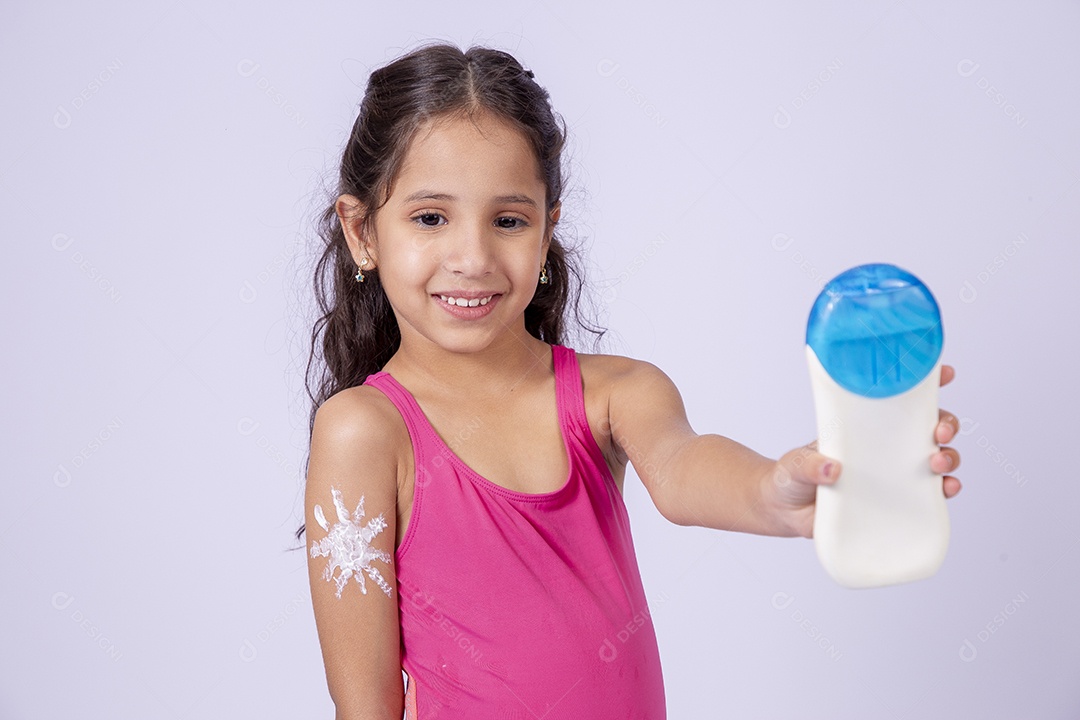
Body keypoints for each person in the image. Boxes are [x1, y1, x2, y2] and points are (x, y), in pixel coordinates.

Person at [296, 42, 963, 719]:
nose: (472, 256)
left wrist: (778, 492)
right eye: (430, 217)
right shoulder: (365, 432)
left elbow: (683, 466)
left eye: (508, 220)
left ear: (547, 230)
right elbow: (365, 706)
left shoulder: (612, 394)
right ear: (362, 232)